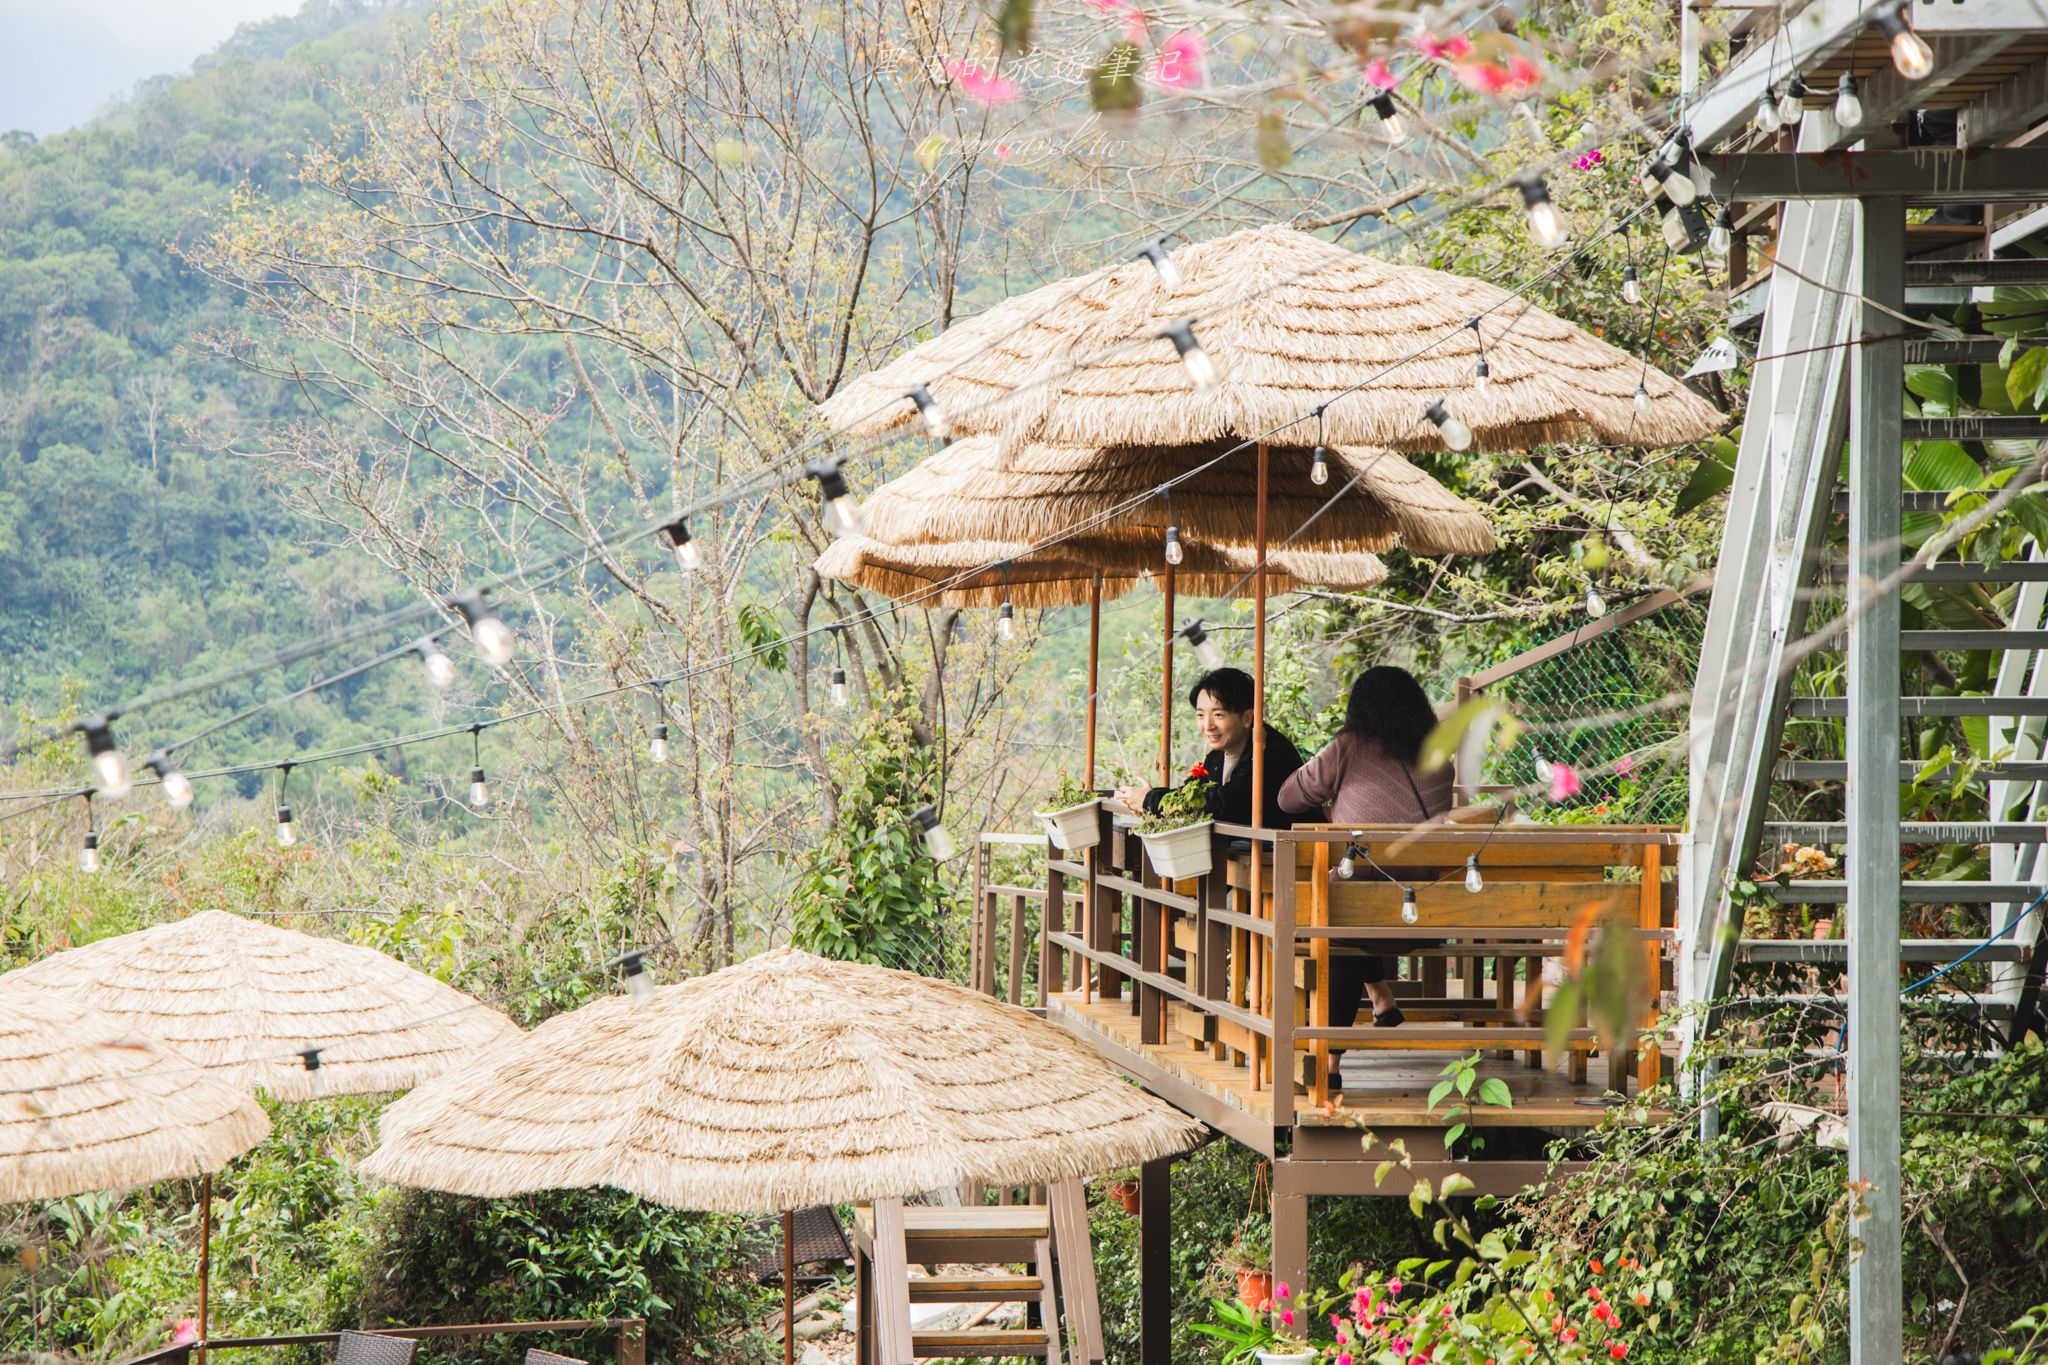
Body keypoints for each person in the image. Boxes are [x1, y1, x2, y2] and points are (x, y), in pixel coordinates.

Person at [1278, 665, 1454, 1051]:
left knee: (1339, 923)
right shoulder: (1441, 756)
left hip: (1359, 906)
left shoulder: (1351, 746)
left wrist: (1336, 793)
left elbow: (1288, 797)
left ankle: (1331, 1061)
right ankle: (1383, 1000)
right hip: (1425, 909)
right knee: (1355, 912)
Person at [1114, 667, 1304, 830]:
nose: (1208, 725)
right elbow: (1190, 794)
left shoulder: (1271, 753)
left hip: (1290, 859)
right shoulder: (1216, 757)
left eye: (1218, 715)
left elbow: (1225, 805)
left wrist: (1151, 801)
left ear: (1247, 718)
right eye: (1200, 715)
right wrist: (1148, 801)